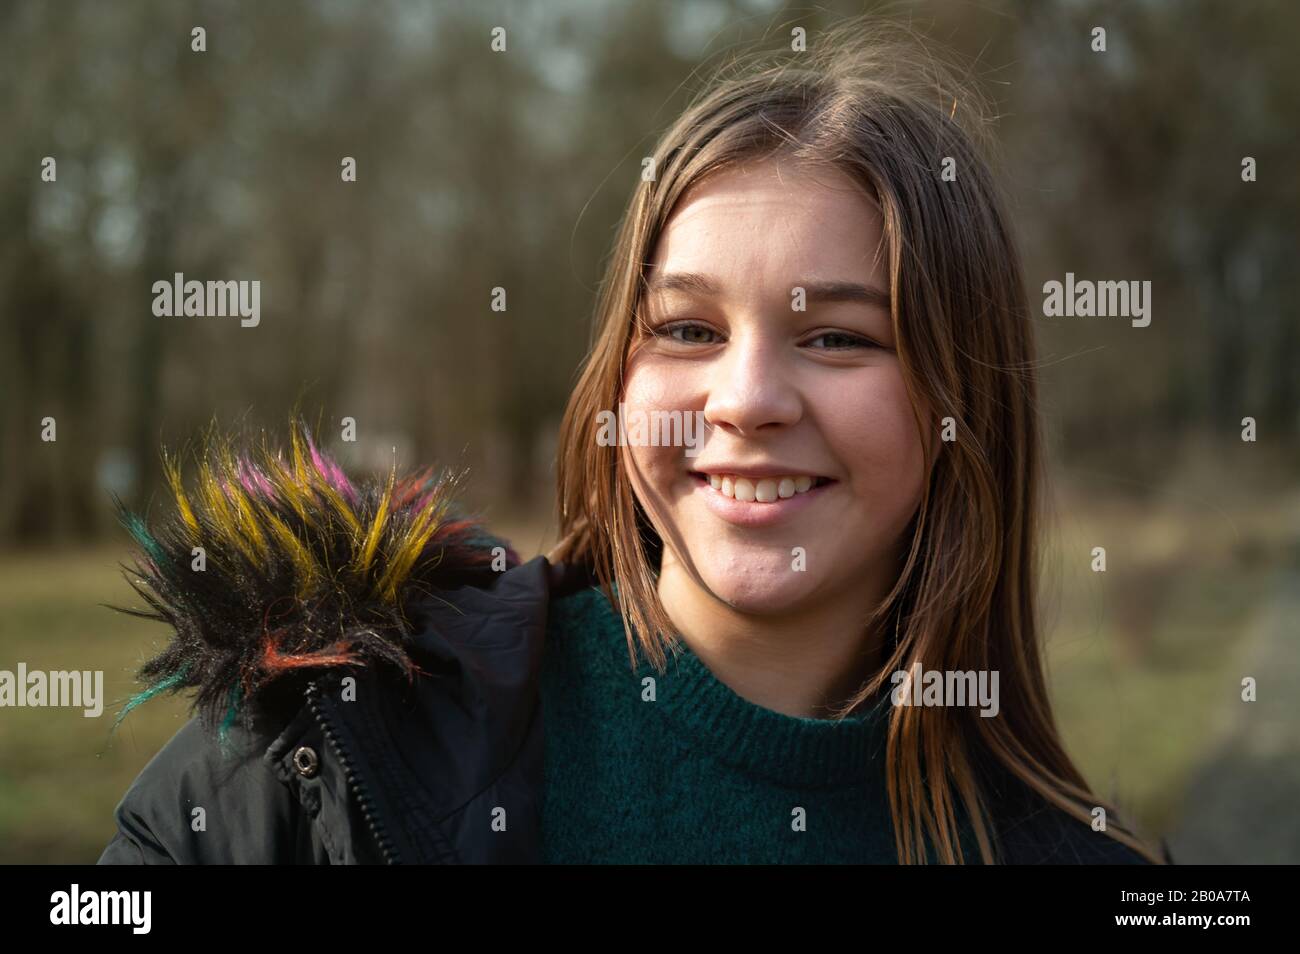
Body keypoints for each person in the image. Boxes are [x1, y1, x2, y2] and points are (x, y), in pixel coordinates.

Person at [99, 20, 1166, 865]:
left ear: (960, 403)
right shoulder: (334, 743)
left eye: (837, 337)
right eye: (688, 330)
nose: (745, 400)